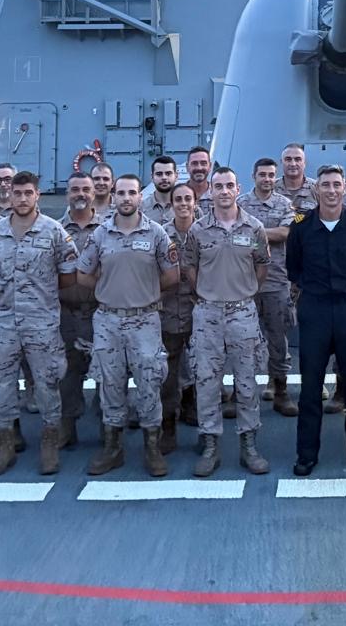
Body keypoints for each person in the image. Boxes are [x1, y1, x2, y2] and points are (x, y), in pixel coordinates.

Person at [76, 174, 179, 477]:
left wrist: (145, 291)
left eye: (132, 192)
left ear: (139, 197)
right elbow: (83, 274)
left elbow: (172, 275)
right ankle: (113, 448)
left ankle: (152, 447)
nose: (126, 198)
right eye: (120, 193)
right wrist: (108, 288)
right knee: (111, 383)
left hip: (145, 320)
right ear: (113, 196)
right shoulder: (100, 234)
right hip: (108, 320)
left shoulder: (157, 233)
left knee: (149, 382)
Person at [0, 171, 78, 477]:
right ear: (9, 195)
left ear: (37, 195)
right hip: (4, 322)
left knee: (47, 384)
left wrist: (40, 294)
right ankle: (5, 444)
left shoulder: (54, 232)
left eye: (27, 193)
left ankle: (49, 443)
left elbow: (68, 275)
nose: (22, 199)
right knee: (3, 384)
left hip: (42, 322)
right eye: (17, 193)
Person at [286, 165, 346, 475]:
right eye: (325, 185)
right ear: (317, 189)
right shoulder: (300, 227)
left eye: (337, 185)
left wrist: (345, 293)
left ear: (344, 187)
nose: (331, 190)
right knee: (310, 386)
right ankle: (306, 454)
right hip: (314, 308)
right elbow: (294, 270)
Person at [184, 166, 272, 476]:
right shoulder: (198, 230)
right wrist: (205, 292)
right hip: (207, 313)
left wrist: (246, 291)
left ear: (238, 189)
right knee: (207, 382)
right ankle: (210, 444)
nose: (223, 191)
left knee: (246, 382)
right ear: (210, 191)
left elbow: (262, 265)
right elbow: (190, 267)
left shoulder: (255, 229)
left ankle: (249, 445)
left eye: (229, 186)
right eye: (218, 186)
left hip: (242, 312)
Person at [239, 158, 297, 417]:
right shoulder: (241, 203)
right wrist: (264, 236)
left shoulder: (284, 204)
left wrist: (252, 234)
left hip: (275, 281)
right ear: (254, 176)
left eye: (271, 175)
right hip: (244, 283)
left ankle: (281, 390)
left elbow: (286, 233)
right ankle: (243, 393)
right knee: (242, 340)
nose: (267, 179)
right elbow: (234, 236)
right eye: (262, 174)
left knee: (277, 339)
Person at [57, 172, 102, 448]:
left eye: (86, 189)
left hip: (101, 311)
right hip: (66, 312)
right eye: (75, 189)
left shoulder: (108, 228)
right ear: (67, 195)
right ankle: (67, 424)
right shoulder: (55, 230)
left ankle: (108, 427)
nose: (80, 194)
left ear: (94, 193)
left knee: (108, 369)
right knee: (67, 372)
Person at [158, 183, 198, 453]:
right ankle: (168, 426)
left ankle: (199, 416)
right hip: (169, 311)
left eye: (187, 199)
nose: (183, 203)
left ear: (195, 202)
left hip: (200, 312)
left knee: (204, 370)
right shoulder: (160, 234)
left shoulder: (205, 232)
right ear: (171, 204)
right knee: (167, 375)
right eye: (178, 199)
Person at [279, 143, 319, 215]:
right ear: (281, 162)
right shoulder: (271, 189)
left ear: (304, 163)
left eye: (297, 159)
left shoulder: (317, 188)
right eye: (288, 159)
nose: (293, 164)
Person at [143, 155, 179, 225]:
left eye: (168, 173)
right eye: (159, 174)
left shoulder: (186, 207)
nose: (164, 177)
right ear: (152, 177)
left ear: (176, 176)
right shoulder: (141, 209)